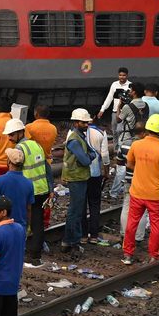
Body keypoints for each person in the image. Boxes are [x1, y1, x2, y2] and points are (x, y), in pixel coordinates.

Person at [122, 114, 159, 265]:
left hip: (137, 191)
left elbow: (129, 165)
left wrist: (142, 169)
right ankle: (154, 255)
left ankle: (127, 254)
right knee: (156, 225)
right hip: (155, 194)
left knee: (132, 223)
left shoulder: (136, 145)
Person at [15, 119, 53, 266]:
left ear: (19, 133)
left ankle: (25, 251)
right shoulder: (36, 145)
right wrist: (50, 188)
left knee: (23, 220)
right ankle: (35, 254)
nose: (9, 138)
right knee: (37, 222)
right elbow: (47, 168)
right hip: (41, 189)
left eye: (11, 135)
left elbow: (16, 170)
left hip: (28, 190)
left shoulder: (20, 148)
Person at [61, 109, 96, 254]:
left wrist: (90, 155)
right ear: (75, 123)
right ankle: (71, 241)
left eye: (87, 122)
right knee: (75, 211)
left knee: (76, 210)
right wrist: (90, 156)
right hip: (76, 178)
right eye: (83, 122)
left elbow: (92, 153)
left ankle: (69, 241)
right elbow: (86, 159)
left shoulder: (80, 136)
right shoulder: (75, 140)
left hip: (79, 177)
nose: (86, 124)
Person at [112, 83, 148, 199]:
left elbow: (118, 120)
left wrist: (119, 107)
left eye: (131, 90)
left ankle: (115, 192)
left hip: (127, 139)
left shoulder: (128, 107)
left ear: (134, 92)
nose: (130, 92)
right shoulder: (146, 105)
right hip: (141, 138)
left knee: (122, 166)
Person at [0, 145, 34, 231]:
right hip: (21, 226)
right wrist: (28, 225)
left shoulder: (0, 180)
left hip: (2, 225)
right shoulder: (29, 183)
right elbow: (29, 208)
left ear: (9, 161)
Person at [82, 119, 111, 246]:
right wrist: (106, 171)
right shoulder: (101, 132)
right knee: (94, 204)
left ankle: (83, 235)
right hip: (95, 174)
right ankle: (93, 235)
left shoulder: (74, 132)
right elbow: (105, 155)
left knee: (82, 204)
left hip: (81, 175)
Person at [96, 67, 131, 131]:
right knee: (114, 131)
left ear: (127, 75)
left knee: (120, 130)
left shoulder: (130, 85)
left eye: (124, 75)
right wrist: (102, 109)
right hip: (115, 111)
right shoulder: (114, 84)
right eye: (120, 75)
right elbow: (109, 98)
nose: (122, 77)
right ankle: (115, 141)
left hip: (124, 111)